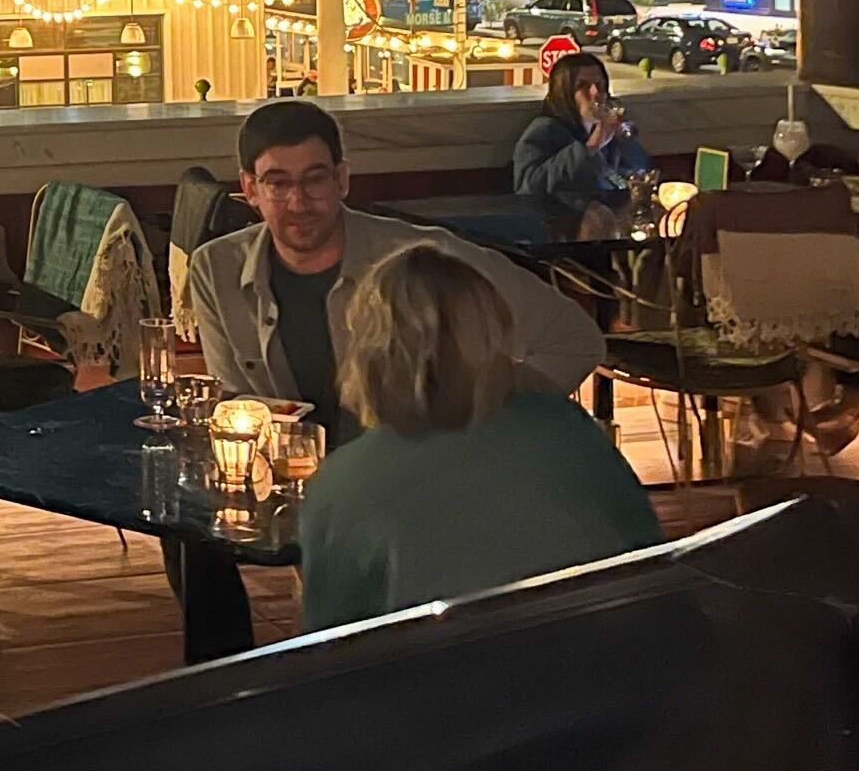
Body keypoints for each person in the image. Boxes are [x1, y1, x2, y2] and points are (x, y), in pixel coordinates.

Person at [174, 99, 606, 661]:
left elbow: (576, 339)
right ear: (249, 190)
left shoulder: (418, 260)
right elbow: (241, 403)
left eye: (316, 180)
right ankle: (223, 683)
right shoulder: (216, 268)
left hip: (422, 486)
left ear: (344, 179)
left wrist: (492, 418)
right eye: (276, 183)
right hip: (304, 489)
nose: (298, 202)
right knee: (183, 520)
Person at [299, 242, 661, 633]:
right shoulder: (567, 427)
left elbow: (332, 646)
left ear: (365, 352)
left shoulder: (344, 482)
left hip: (453, 682)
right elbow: (650, 558)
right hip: (618, 668)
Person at [511, 52, 657, 227]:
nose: (596, 93)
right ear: (564, 92)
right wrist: (589, 148)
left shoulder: (608, 130)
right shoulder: (545, 130)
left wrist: (624, 141)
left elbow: (639, 169)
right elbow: (528, 187)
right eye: (583, 86)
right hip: (566, 226)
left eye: (600, 85)